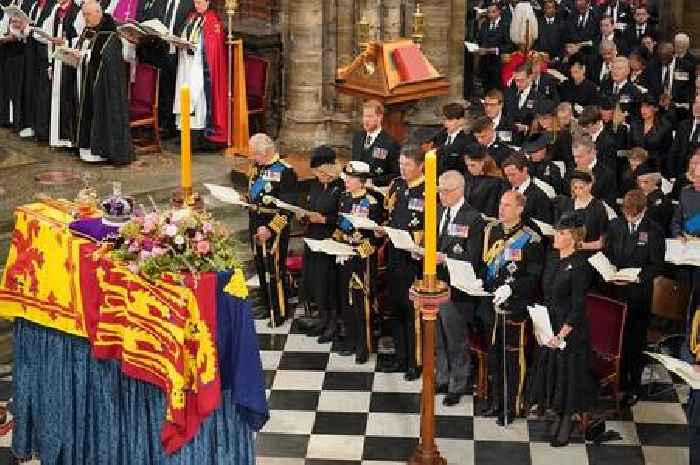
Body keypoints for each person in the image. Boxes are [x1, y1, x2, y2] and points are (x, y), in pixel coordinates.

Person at [528, 211, 597, 447]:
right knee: (555, 374)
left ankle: (567, 420)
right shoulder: (552, 257)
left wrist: (561, 334)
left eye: (562, 233)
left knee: (568, 377)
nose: (556, 236)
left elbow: (578, 307)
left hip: (570, 331)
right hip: (550, 324)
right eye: (557, 232)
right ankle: (556, 415)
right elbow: (545, 292)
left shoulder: (580, 265)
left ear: (574, 238)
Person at [480, 190, 544, 425]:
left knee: (512, 361)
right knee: (494, 358)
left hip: (513, 308)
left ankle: (511, 406)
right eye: (500, 203)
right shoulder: (493, 230)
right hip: (490, 304)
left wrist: (512, 288)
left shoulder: (531, 238)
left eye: (507, 205)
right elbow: (486, 264)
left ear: (519, 209)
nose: (501, 209)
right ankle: (495, 401)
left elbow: (533, 277)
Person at [603, 189, 665, 405]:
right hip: (617, 291)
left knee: (634, 341)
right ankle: (616, 380)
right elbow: (609, 253)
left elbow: (657, 264)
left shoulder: (654, 231)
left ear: (643, 211)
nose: (630, 219)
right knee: (616, 339)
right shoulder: (615, 225)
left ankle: (633, 384)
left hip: (638, 293)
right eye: (627, 214)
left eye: (634, 215)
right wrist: (609, 270)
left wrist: (637, 277)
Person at [434, 171, 486, 405]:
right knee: (439, 336)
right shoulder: (438, 212)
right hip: (435, 284)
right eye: (440, 191)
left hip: (458, 288)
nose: (441, 195)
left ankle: (460, 382)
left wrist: (444, 259)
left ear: (458, 191)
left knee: (455, 337)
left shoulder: (473, 218)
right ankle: (443, 376)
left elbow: (473, 257)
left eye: (445, 192)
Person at [333, 161, 383, 364]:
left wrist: (358, 250)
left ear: (361, 181)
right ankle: (351, 339)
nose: (346, 182)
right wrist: (336, 241)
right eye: (346, 178)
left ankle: (365, 344)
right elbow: (339, 227)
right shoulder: (344, 198)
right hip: (343, 255)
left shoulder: (371, 202)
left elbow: (377, 237)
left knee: (362, 303)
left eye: (351, 179)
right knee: (346, 299)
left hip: (363, 259)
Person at [247, 133, 299, 327]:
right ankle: (266, 302)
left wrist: (271, 228)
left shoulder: (285, 172)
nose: (252, 157)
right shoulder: (256, 167)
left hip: (273, 228)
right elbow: (255, 194)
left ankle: (279, 310)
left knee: (274, 270)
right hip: (255, 223)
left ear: (267, 151)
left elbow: (288, 209)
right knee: (260, 266)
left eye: (255, 154)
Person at [74, 0, 133, 164]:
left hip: (105, 85)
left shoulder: (110, 34)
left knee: (100, 109)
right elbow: (83, 46)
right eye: (84, 14)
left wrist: (86, 56)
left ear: (98, 13)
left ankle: (102, 148)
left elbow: (107, 59)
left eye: (88, 15)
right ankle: (86, 145)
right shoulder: (89, 29)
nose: (85, 18)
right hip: (87, 77)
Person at [384, 150, 425, 379]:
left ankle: (415, 361)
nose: (403, 169)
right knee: (396, 308)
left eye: (408, 165)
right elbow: (390, 215)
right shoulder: (397, 186)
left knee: (412, 312)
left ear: (420, 166)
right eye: (400, 164)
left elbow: (430, 226)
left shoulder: (428, 190)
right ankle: (400, 357)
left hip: (413, 259)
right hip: (394, 253)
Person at [301, 146, 344, 342]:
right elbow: (310, 205)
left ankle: (334, 321)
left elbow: (343, 218)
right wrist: (305, 215)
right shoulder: (316, 185)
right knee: (316, 281)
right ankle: (323, 317)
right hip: (313, 238)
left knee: (328, 282)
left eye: (320, 172)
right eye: (316, 173)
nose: (318, 176)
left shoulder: (341, 187)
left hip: (330, 240)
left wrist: (325, 220)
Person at [173, 0, 228, 149]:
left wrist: (196, 48)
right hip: (186, 66)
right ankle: (186, 135)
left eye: (200, 2)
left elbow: (213, 46)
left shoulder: (212, 20)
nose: (197, 6)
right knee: (185, 99)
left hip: (200, 69)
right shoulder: (191, 16)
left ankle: (199, 138)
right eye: (195, 2)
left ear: (208, 2)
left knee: (197, 102)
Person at [135, 0, 194, 139]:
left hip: (178, 51)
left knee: (175, 88)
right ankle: (162, 123)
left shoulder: (188, 4)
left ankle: (171, 125)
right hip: (160, 50)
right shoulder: (162, 2)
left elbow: (189, 26)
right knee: (162, 88)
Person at [44, 0, 82, 149]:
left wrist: (66, 42)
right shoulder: (55, 10)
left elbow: (81, 36)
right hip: (57, 59)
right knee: (57, 97)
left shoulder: (77, 11)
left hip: (69, 59)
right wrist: (49, 62)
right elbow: (48, 35)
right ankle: (58, 138)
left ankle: (70, 139)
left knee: (69, 98)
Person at [557, 170, 610, 255]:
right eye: (575, 188)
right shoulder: (567, 204)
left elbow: (603, 241)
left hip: (588, 253)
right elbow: (560, 228)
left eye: (581, 188)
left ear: (589, 185)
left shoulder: (598, 208)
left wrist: (582, 246)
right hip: (567, 251)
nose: (578, 191)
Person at [351, 99, 401, 187]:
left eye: (370, 116)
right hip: (356, 190)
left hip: (377, 191)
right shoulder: (357, 137)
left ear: (379, 117)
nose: (366, 120)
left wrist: (373, 181)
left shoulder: (390, 143)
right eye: (364, 116)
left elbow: (396, 174)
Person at [502, 152, 554, 225]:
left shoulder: (539, 196)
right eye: (507, 176)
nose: (510, 179)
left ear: (524, 170)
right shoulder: (505, 190)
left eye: (513, 175)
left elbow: (545, 227)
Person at [629, 93, 674, 176]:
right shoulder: (635, 124)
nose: (643, 110)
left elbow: (667, 153)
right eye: (642, 106)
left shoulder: (665, 127)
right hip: (635, 165)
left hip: (655, 167)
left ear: (655, 108)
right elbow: (630, 147)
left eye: (647, 107)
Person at [569, 134, 618, 207]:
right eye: (574, 157)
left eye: (580, 157)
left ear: (592, 153)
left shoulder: (607, 174)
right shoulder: (570, 168)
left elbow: (610, 202)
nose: (576, 161)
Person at [476, 0, 512, 91]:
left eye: (493, 11)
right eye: (488, 12)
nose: (490, 14)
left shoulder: (505, 25)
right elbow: (479, 39)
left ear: (499, 12)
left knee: (496, 89)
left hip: (498, 63)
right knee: (486, 88)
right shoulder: (484, 24)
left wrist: (495, 50)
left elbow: (509, 45)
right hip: (485, 63)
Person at [425, 103, 469, 175]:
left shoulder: (466, 141)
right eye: (444, 120)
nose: (446, 123)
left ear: (461, 121)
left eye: (450, 120)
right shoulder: (440, 136)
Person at [464, 148, 507, 219]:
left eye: (473, 165)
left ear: (483, 163)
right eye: (467, 165)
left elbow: (491, 209)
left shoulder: (496, 183)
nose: (469, 169)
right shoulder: (468, 178)